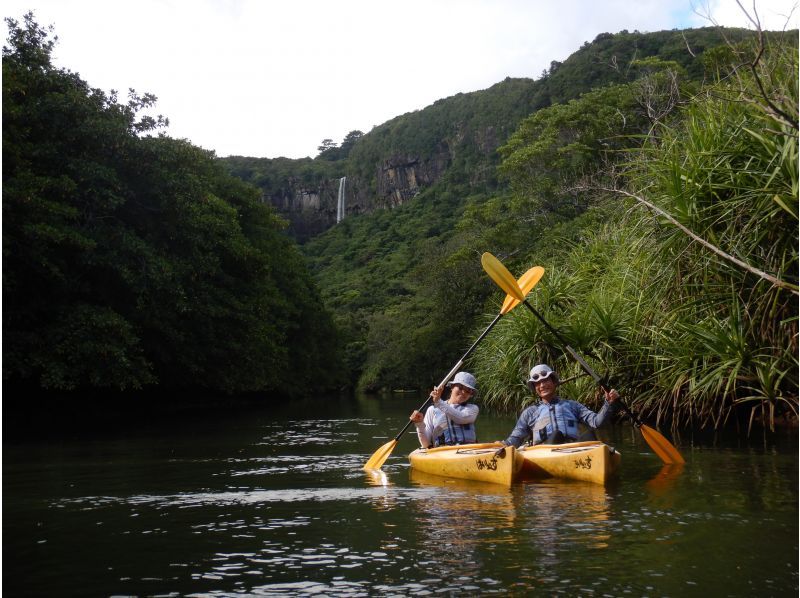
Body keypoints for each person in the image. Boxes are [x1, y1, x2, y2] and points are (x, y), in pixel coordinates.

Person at [499, 363, 619, 448]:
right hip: (544, 452)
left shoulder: (572, 405)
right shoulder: (530, 412)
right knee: (556, 434)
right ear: (535, 388)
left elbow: (597, 422)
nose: (542, 385)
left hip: (573, 450)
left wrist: (609, 403)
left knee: (590, 435)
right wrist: (503, 444)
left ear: (553, 382)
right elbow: (516, 438)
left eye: (546, 380)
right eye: (538, 383)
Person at [410, 371, 479, 448]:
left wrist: (438, 401)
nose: (463, 392)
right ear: (452, 387)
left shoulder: (472, 408)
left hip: (470, 451)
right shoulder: (432, 410)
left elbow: (461, 418)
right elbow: (426, 444)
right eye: (460, 387)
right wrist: (419, 424)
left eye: (468, 391)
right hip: (443, 453)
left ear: (471, 395)